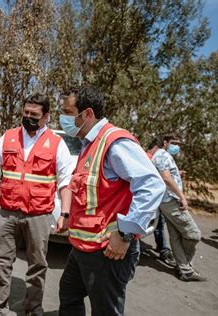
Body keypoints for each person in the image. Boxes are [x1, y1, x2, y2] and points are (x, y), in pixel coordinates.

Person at [57, 86, 166, 316]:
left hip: (107, 251)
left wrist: (125, 234)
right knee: (69, 295)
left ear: (87, 113)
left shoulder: (114, 141)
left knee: (105, 311)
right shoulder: (89, 143)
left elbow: (152, 186)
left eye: (67, 112)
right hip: (82, 248)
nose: (63, 118)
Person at [0, 93, 73, 316]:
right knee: (1, 261)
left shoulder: (56, 144)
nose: (29, 118)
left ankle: (33, 309)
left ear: (46, 117)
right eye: (26, 113)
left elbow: (66, 182)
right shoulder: (8, 137)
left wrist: (65, 214)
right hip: (8, 212)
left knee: (37, 264)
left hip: (39, 215)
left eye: (35, 115)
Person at [152, 134, 206, 281]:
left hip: (166, 200)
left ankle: (184, 269)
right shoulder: (163, 155)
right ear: (165, 142)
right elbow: (165, 177)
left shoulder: (162, 155)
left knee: (176, 235)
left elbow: (166, 175)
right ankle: (185, 265)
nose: (177, 146)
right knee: (193, 234)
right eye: (174, 143)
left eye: (178, 143)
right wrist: (182, 196)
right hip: (171, 200)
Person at [146, 138, 176, 266]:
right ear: (155, 148)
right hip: (154, 197)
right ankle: (163, 249)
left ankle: (162, 247)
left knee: (158, 223)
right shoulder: (149, 157)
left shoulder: (150, 157)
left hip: (155, 196)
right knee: (158, 223)